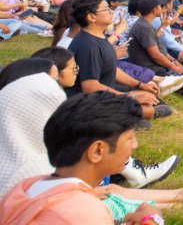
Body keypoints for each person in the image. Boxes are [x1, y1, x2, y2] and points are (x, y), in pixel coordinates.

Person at [0, 92, 164, 225]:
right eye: (130, 138)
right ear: (97, 151)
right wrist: (153, 222)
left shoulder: (28, 186)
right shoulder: (85, 213)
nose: (135, 145)